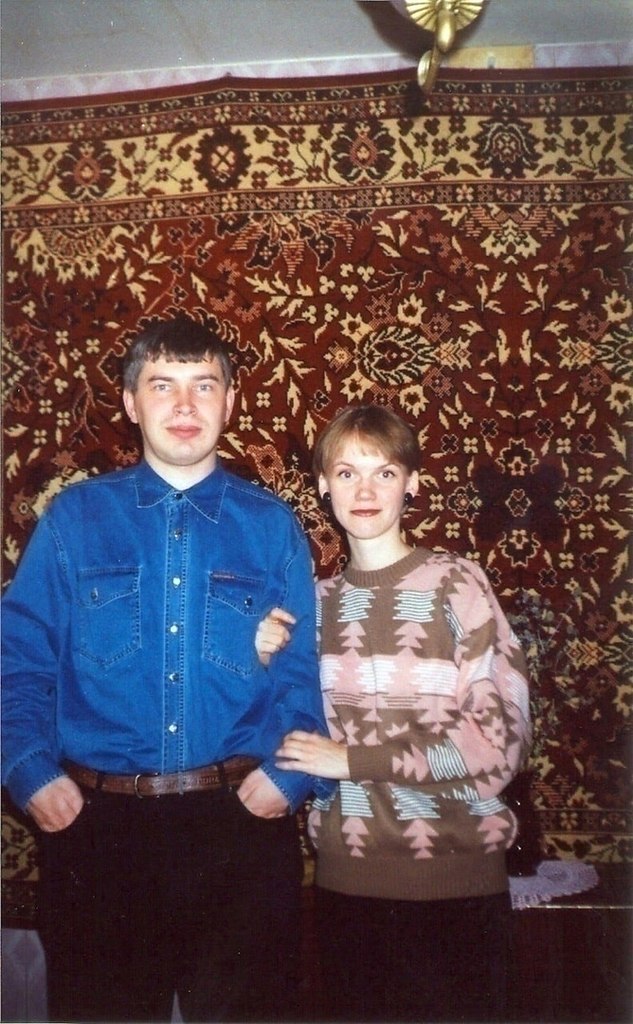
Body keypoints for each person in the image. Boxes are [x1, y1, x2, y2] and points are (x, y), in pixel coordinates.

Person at [1, 314, 331, 1024]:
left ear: (230, 403)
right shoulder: (74, 520)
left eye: (203, 386)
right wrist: (29, 771)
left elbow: (301, 675)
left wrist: (288, 779)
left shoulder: (271, 526)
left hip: (240, 831)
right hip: (98, 836)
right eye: (162, 385)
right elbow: (18, 660)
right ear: (130, 402)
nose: (184, 405)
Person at [258, 404, 531, 1022]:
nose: (365, 491)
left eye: (384, 472)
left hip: (459, 888)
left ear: (412, 483)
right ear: (323, 486)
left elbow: (499, 743)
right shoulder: (313, 606)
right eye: (347, 473)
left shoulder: (457, 584)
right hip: (345, 887)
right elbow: (280, 734)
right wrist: (259, 659)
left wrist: (354, 760)